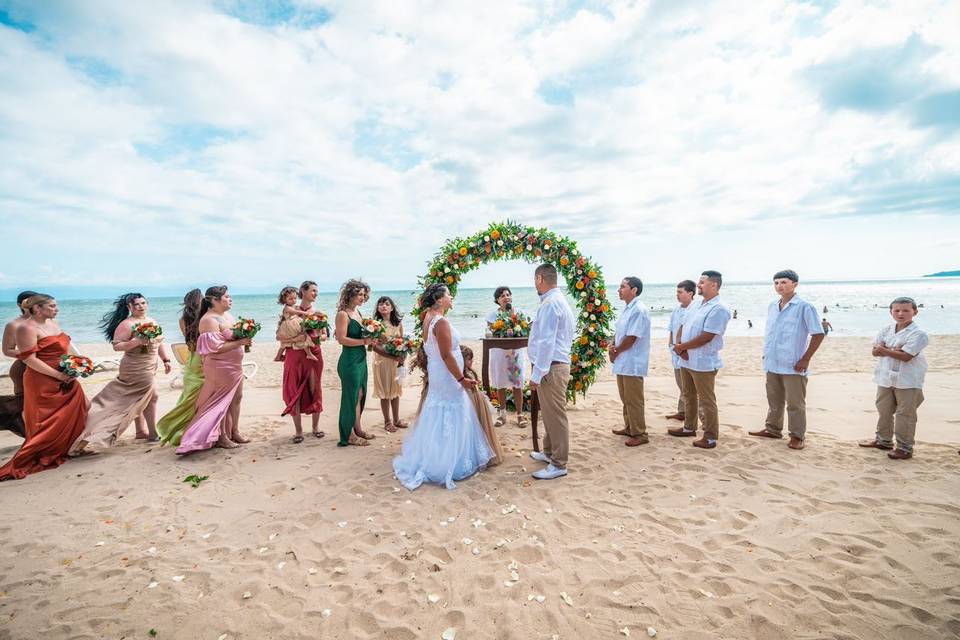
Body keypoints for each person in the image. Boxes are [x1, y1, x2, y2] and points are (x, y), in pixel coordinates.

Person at [392, 284, 493, 489]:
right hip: (446, 375)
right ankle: (449, 461)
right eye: (448, 294)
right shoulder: (441, 322)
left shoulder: (428, 317)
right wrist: (461, 379)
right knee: (453, 409)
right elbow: (447, 355)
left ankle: (434, 454)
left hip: (438, 372)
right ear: (439, 299)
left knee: (438, 410)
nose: (451, 296)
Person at [70, 293, 173, 454]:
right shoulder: (127, 324)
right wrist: (136, 342)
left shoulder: (151, 321)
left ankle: (141, 432)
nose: (141, 306)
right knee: (151, 397)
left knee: (144, 398)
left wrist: (166, 359)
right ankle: (152, 434)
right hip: (135, 367)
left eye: (143, 303)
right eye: (137, 304)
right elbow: (117, 346)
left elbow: (159, 342)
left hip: (151, 364)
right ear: (129, 307)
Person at [0, 294, 88, 480]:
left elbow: (65, 347)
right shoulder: (25, 328)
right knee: (48, 419)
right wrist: (57, 375)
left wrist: (78, 363)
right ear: (37, 308)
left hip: (64, 373)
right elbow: (29, 358)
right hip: (42, 378)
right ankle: (45, 451)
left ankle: (66, 447)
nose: (57, 309)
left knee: (78, 408)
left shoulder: (53, 324)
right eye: (52, 306)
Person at [748, 270, 825, 450]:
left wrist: (805, 359)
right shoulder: (772, 306)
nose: (779, 286)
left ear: (795, 284)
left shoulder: (804, 306)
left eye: (784, 282)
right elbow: (772, 333)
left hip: (794, 364)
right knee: (774, 400)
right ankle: (772, 429)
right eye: (776, 283)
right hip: (772, 361)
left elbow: (818, 333)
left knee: (795, 403)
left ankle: (797, 436)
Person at [176, 286, 251, 454]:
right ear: (214, 300)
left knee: (236, 398)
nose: (230, 298)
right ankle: (221, 437)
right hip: (219, 366)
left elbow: (233, 336)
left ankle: (234, 432)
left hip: (234, 366)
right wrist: (241, 342)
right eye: (226, 296)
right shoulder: (208, 320)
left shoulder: (228, 316)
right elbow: (215, 348)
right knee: (221, 401)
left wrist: (245, 337)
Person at [859, 297, 928, 460]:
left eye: (905, 310)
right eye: (896, 310)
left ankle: (905, 447)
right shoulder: (886, 329)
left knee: (905, 414)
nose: (900, 313)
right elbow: (875, 352)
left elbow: (906, 357)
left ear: (915, 312)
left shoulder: (919, 334)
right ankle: (883, 441)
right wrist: (892, 350)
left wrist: (885, 349)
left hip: (908, 379)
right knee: (884, 410)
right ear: (891, 312)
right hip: (885, 377)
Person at [669, 270, 732, 449]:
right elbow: (682, 325)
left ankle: (710, 436)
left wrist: (683, 347)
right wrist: (679, 346)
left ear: (714, 285)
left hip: (704, 361)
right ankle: (689, 427)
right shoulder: (698, 305)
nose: (698, 285)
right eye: (699, 282)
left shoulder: (719, 308)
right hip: (687, 359)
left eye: (702, 282)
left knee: (706, 400)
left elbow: (707, 336)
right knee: (688, 395)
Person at [527, 264, 576, 479]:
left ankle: (558, 464)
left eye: (534, 279)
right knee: (548, 413)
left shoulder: (550, 303)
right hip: (553, 365)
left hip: (552, 367)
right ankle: (548, 452)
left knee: (555, 415)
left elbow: (547, 343)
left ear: (540, 278)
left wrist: (537, 374)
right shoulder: (557, 300)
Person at [156, 289, 205, 447]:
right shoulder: (205, 317)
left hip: (191, 359)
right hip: (202, 358)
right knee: (202, 396)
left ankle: (185, 427)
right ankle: (195, 430)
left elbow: (190, 341)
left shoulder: (183, 319)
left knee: (190, 396)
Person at [608, 277, 651, 447]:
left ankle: (640, 433)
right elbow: (619, 333)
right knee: (625, 397)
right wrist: (612, 347)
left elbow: (632, 337)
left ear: (634, 290)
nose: (619, 290)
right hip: (623, 360)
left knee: (634, 399)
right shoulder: (627, 309)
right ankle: (629, 427)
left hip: (633, 361)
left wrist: (617, 350)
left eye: (623, 287)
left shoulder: (638, 310)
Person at [281, 281, 325, 443]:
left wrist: (317, 337)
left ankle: (315, 427)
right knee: (294, 389)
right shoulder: (291, 310)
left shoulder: (318, 313)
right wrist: (297, 339)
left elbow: (324, 335)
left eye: (316, 291)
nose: (316, 294)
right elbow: (281, 334)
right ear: (303, 292)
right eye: (313, 291)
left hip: (314, 352)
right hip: (294, 354)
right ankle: (298, 430)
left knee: (315, 389)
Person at [335, 279, 376, 447]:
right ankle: (348, 435)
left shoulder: (358, 313)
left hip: (360, 359)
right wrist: (364, 342)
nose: (362, 297)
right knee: (350, 397)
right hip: (349, 361)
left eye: (364, 294)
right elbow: (341, 339)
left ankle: (358, 429)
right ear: (350, 295)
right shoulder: (342, 314)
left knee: (359, 394)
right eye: (359, 294)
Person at [485, 286, 528, 428]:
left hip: (515, 353)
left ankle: (520, 415)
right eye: (502, 296)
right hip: (499, 353)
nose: (506, 297)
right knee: (500, 383)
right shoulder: (492, 316)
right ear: (497, 300)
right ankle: (502, 414)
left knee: (517, 383)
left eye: (508, 295)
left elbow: (526, 330)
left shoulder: (520, 313)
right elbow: (491, 332)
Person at [0, 290, 38, 438]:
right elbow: (7, 350)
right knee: (25, 403)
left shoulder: (45, 321)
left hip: (45, 365)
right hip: (23, 367)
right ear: (19, 305)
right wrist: (32, 353)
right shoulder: (14, 324)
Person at [461, 345, 504, 465]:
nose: (471, 361)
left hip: (477, 400)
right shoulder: (461, 375)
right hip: (470, 401)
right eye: (469, 359)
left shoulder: (471, 372)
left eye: (471, 359)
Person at [372, 296, 408, 432]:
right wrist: (392, 356)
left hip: (396, 362)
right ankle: (387, 421)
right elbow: (375, 347)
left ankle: (397, 419)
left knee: (396, 391)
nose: (383, 306)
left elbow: (403, 343)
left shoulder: (398, 323)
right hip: (382, 361)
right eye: (380, 304)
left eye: (386, 304)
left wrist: (402, 356)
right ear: (378, 308)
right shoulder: (375, 325)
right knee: (385, 392)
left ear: (392, 307)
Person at [664, 280, 695, 422]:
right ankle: (682, 412)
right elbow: (672, 329)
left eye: (680, 292)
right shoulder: (676, 310)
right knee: (681, 385)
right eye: (677, 292)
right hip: (675, 352)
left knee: (690, 389)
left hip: (687, 353)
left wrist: (683, 349)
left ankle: (691, 416)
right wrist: (671, 345)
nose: (677, 295)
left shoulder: (695, 310)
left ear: (690, 293)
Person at [274, 286, 318, 362]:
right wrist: (306, 313)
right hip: (289, 326)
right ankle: (309, 354)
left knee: (285, 343)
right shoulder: (287, 307)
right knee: (303, 337)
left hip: (292, 324)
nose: (293, 300)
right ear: (284, 299)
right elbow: (296, 312)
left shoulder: (292, 306)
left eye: (295, 298)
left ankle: (278, 357)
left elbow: (296, 309)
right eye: (290, 299)